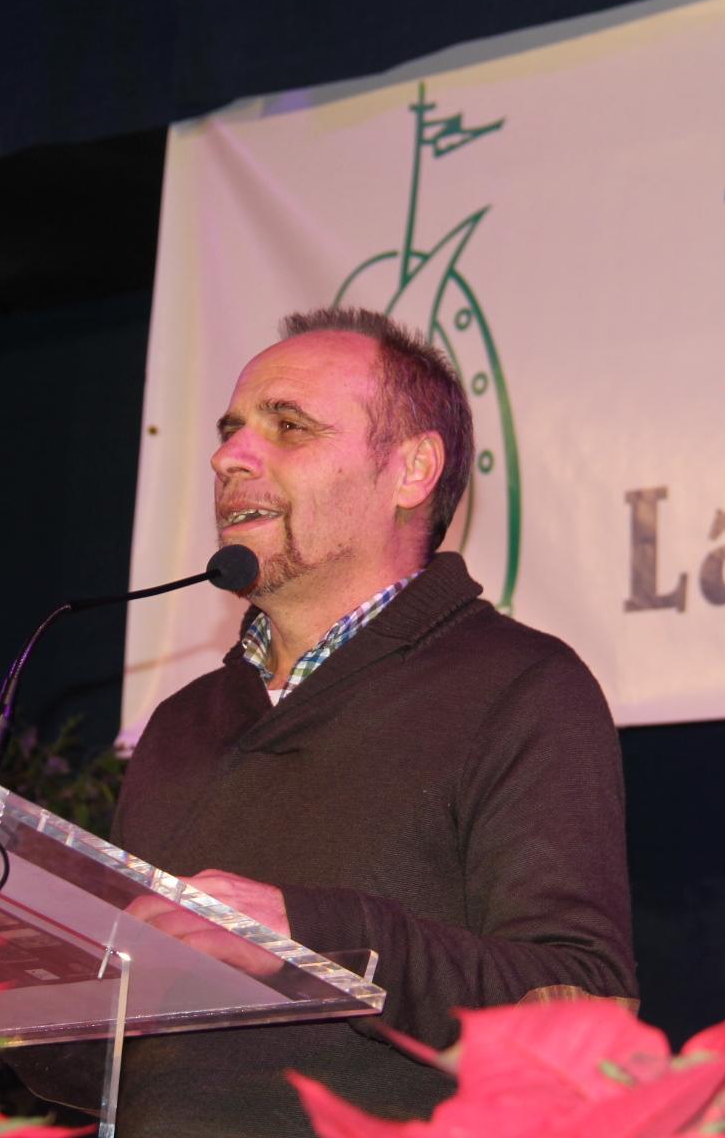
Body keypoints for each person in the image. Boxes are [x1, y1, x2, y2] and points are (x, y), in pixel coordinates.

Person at [104, 307, 637, 1134]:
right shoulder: (179, 725)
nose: (227, 457)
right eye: (231, 431)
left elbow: (586, 1009)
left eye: (288, 426)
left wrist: (315, 935)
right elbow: (104, 1051)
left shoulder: (521, 686)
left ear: (412, 470)